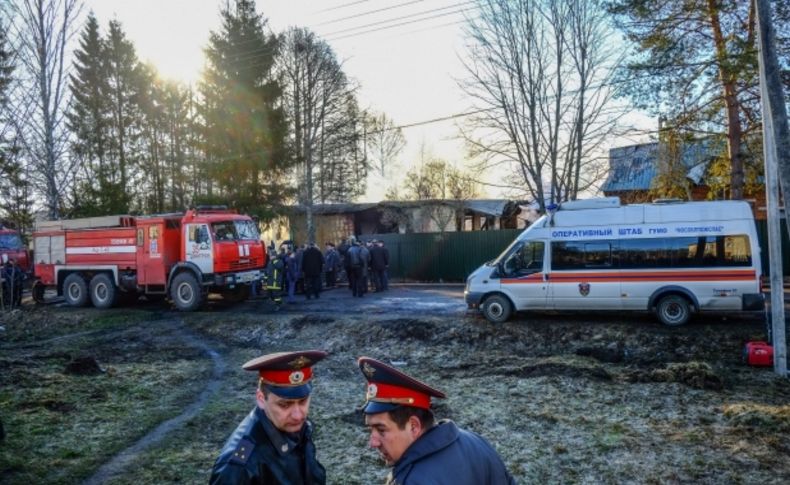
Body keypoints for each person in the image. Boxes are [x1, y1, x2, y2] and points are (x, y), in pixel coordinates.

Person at [357, 357, 516, 485]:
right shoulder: (477, 442)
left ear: (413, 427)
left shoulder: (411, 480)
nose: (373, 442)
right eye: (370, 430)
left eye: (381, 430)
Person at [210, 350, 328, 485]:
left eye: (303, 401)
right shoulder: (239, 466)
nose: (298, 415)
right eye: (284, 405)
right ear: (261, 399)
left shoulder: (294, 427)